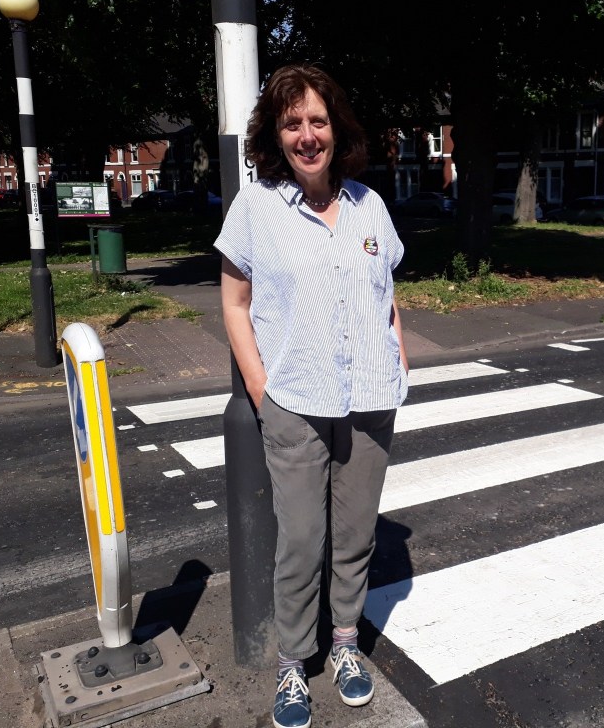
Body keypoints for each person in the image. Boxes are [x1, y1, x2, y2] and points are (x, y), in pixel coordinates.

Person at [214, 63, 409, 728]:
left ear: (336, 128)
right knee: (300, 541)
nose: (306, 135)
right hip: (296, 401)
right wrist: (262, 388)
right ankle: (294, 662)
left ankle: (346, 643)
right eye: (292, 122)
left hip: (371, 399)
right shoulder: (256, 207)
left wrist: (398, 356)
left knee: (355, 537)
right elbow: (234, 303)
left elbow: (385, 295)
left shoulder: (368, 205)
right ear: (275, 134)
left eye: (317, 121)